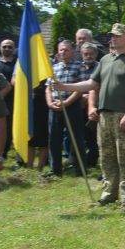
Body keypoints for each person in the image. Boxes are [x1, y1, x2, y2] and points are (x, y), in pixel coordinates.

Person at [54, 23, 125, 208]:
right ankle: (109, 192)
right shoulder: (105, 60)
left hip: (124, 114)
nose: (113, 38)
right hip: (105, 115)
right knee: (107, 155)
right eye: (112, 35)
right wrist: (64, 87)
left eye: (117, 35)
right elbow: (91, 84)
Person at [46, 40, 85, 177]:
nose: (63, 52)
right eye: (61, 50)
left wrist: (67, 102)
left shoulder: (79, 66)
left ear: (73, 51)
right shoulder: (53, 68)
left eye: (66, 50)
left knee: (76, 138)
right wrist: (50, 103)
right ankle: (55, 170)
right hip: (55, 107)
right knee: (53, 138)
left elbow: (81, 88)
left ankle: (80, 169)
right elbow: (48, 88)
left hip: (72, 106)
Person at [78, 42, 99, 168]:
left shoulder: (100, 67)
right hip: (77, 105)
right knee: (79, 134)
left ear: (96, 54)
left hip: (94, 106)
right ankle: (78, 160)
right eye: (86, 54)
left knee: (93, 136)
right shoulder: (77, 67)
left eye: (91, 54)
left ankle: (92, 160)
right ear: (81, 54)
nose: (88, 56)